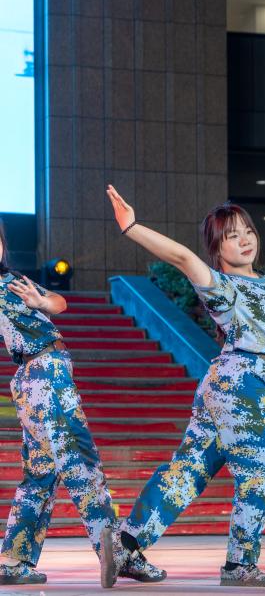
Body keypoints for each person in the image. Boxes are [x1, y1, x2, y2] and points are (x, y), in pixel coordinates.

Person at [102, 187, 265, 587]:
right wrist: (132, 227)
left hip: (233, 386)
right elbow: (184, 258)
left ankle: (125, 545)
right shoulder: (222, 285)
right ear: (217, 248)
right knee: (263, 466)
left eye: (248, 231)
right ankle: (240, 564)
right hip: (240, 384)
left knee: (188, 471)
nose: (245, 240)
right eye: (232, 236)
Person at [0, 221, 165, 586]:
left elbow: (60, 303)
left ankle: (12, 560)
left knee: (41, 473)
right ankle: (118, 555)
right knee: (81, 462)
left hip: (40, 375)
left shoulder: (14, 281)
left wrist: (42, 302)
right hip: (42, 372)